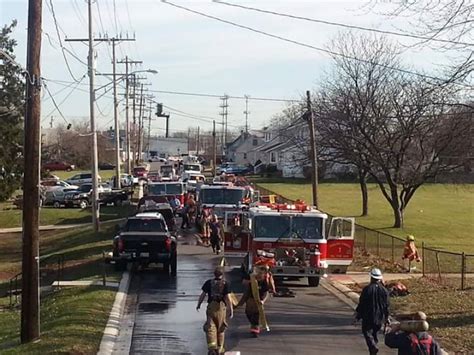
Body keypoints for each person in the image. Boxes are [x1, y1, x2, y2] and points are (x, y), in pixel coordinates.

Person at [197, 266, 233, 355]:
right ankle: (220, 348)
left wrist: (199, 304)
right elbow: (228, 298)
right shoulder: (226, 283)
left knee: (210, 327)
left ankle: (212, 348)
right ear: (222, 274)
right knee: (221, 328)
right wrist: (231, 309)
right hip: (221, 308)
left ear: (214, 274)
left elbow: (203, 295)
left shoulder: (209, 283)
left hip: (211, 308)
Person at [355, 268, 390, 355]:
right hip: (380, 317)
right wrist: (387, 317)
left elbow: (362, 303)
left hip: (368, 316)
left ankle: (372, 346)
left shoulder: (367, 289)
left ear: (371, 278)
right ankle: (373, 350)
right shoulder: (385, 291)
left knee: (367, 332)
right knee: (375, 333)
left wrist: (358, 315)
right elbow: (387, 305)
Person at [236, 266, 271, 337]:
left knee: (256, 315)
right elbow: (243, 282)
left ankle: (255, 330)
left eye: (262, 274)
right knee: (248, 313)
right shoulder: (251, 278)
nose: (260, 275)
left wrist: (263, 301)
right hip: (250, 299)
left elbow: (266, 293)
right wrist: (250, 282)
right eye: (259, 273)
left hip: (258, 301)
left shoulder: (264, 282)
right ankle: (253, 326)